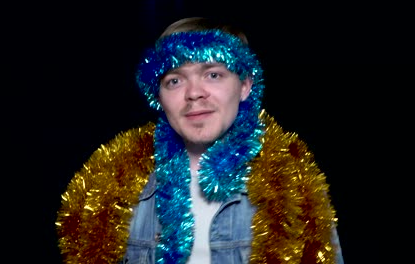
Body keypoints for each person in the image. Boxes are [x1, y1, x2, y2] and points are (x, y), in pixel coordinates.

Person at [55, 17, 344, 264]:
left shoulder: (293, 186)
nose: (194, 93)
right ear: (159, 96)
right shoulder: (110, 187)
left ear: (245, 86)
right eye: (175, 81)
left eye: (213, 74)